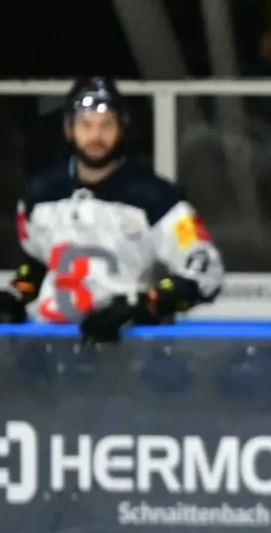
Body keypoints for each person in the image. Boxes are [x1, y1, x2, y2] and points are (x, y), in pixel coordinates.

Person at [2, 76, 224, 344]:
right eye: (86, 125)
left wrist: (142, 305)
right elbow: (39, 261)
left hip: (126, 353)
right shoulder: (39, 194)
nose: (96, 136)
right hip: (49, 351)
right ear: (69, 129)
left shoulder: (157, 198)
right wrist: (16, 294)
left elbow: (205, 269)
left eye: (106, 125)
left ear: (121, 128)